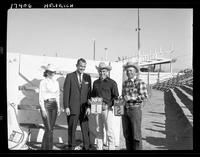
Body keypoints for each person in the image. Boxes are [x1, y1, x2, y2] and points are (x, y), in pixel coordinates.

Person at [63, 58, 91, 150]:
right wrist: (66, 107)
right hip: (72, 108)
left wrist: (88, 107)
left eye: (84, 66)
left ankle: (86, 147)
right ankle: (71, 147)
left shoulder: (87, 77)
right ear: (77, 65)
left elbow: (89, 94)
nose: (82, 68)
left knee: (85, 129)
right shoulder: (70, 76)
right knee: (72, 129)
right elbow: (66, 93)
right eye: (81, 66)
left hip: (84, 109)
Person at [91, 62, 119, 150]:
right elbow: (93, 95)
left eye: (104, 71)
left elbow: (116, 97)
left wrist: (108, 105)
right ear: (98, 71)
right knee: (99, 129)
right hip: (97, 107)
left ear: (107, 71)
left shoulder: (112, 83)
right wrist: (91, 101)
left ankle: (111, 147)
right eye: (100, 71)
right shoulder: (95, 83)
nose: (102, 73)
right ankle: (99, 147)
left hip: (108, 109)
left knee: (109, 129)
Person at [122, 61, 148, 150]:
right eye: (127, 70)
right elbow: (123, 96)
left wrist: (131, 97)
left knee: (136, 135)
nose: (129, 72)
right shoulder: (125, 83)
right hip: (125, 110)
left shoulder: (140, 82)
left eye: (131, 70)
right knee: (127, 133)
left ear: (135, 72)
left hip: (135, 110)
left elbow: (144, 96)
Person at [39, 64, 61, 150]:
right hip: (46, 105)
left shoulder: (56, 82)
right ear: (47, 72)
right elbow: (40, 96)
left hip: (54, 105)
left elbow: (57, 95)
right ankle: (49, 148)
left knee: (50, 129)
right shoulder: (43, 82)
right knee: (48, 129)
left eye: (53, 72)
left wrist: (59, 107)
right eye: (51, 72)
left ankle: (44, 148)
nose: (52, 73)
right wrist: (43, 109)